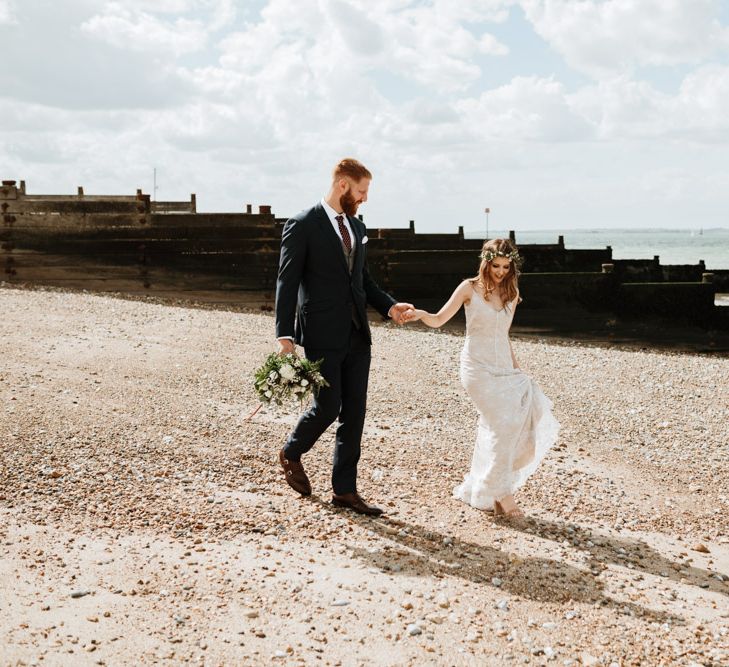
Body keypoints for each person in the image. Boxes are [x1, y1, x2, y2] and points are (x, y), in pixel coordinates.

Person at [275, 158, 413, 516]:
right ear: (342, 186)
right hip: (321, 332)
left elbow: (362, 281)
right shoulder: (303, 224)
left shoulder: (356, 225)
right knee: (328, 406)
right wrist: (284, 336)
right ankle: (291, 451)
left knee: (355, 412)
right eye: (362, 191)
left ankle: (345, 491)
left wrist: (390, 307)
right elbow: (286, 282)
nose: (365, 198)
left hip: (357, 333)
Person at [404, 238, 559, 518]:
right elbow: (439, 319)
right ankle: (501, 494)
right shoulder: (469, 288)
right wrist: (420, 314)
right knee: (503, 424)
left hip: (504, 368)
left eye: (506, 266)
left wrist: (517, 369)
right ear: (486, 262)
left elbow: (504, 336)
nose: (500, 271)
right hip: (477, 369)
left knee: (515, 421)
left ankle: (486, 488)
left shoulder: (512, 291)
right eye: (496, 265)